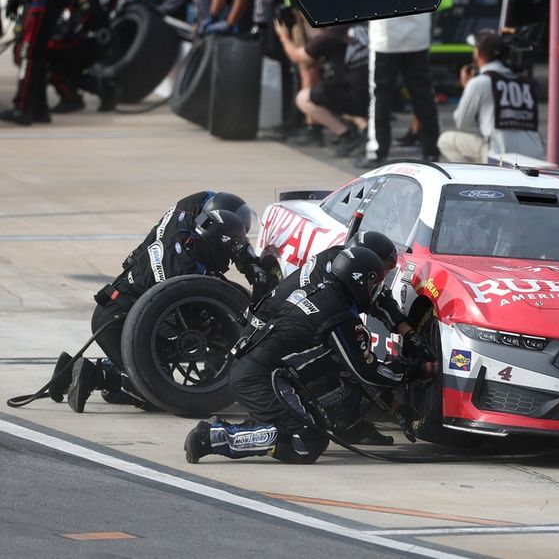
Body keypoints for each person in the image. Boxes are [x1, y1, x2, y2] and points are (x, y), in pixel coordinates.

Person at [183, 246, 437, 464]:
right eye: (375, 282)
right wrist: (413, 369)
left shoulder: (323, 292)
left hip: (259, 370)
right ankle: (216, 436)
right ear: (360, 280)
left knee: (338, 382)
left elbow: (345, 368)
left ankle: (338, 424)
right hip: (261, 379)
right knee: (307, 442)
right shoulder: (339, 316)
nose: (376, 289)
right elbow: (366, 371)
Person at [64, 191, 266, 412]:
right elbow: (183, 322)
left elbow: (213, 211)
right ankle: (94, 375)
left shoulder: (192, 209)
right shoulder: (182, 269)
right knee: (157, 395)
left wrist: (250, 260)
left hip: (120, 304)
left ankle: (68, 373)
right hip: (117, 319)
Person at [247, 230, 428, 446]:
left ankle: (345, 422)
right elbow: (362, 369)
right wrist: (403, 382)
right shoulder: (332, 294)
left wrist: (409, 333)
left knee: (350, 352)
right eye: (377, 275)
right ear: (361, 268)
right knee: (346, 367)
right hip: (263, 350)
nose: (381, 282)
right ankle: (335, 420)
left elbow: (380, 300)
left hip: (268, 347)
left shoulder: (341, 267)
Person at [439, 29, 545, 163]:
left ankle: (480, 177)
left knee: (445, 141)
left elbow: (461, 123)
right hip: (534, 154)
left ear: (478, 52)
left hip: (501, 156)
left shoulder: (479, 82)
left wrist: (467, 88)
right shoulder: (525, 81)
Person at [275, 19, 370, 156]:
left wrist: (283, 37)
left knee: (303, 99)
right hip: (378, 93)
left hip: (356, 97)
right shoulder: (364, 27)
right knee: (338, 91)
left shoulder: (331, 36)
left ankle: (347, 135)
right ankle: (365, 130)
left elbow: (298, 57)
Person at [45, 0, 116, 113]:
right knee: (63, 63)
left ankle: (72, 99)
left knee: (48, 57)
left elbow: (86, 11)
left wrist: (66, 32)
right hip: (104, 31)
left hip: (94, 36)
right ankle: (104, 89)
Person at [358, 12, 441, 167]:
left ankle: (377, 151)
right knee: (423, 94)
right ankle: (431, 149)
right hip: (417, 34)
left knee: (380, 96)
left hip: (386, 38)